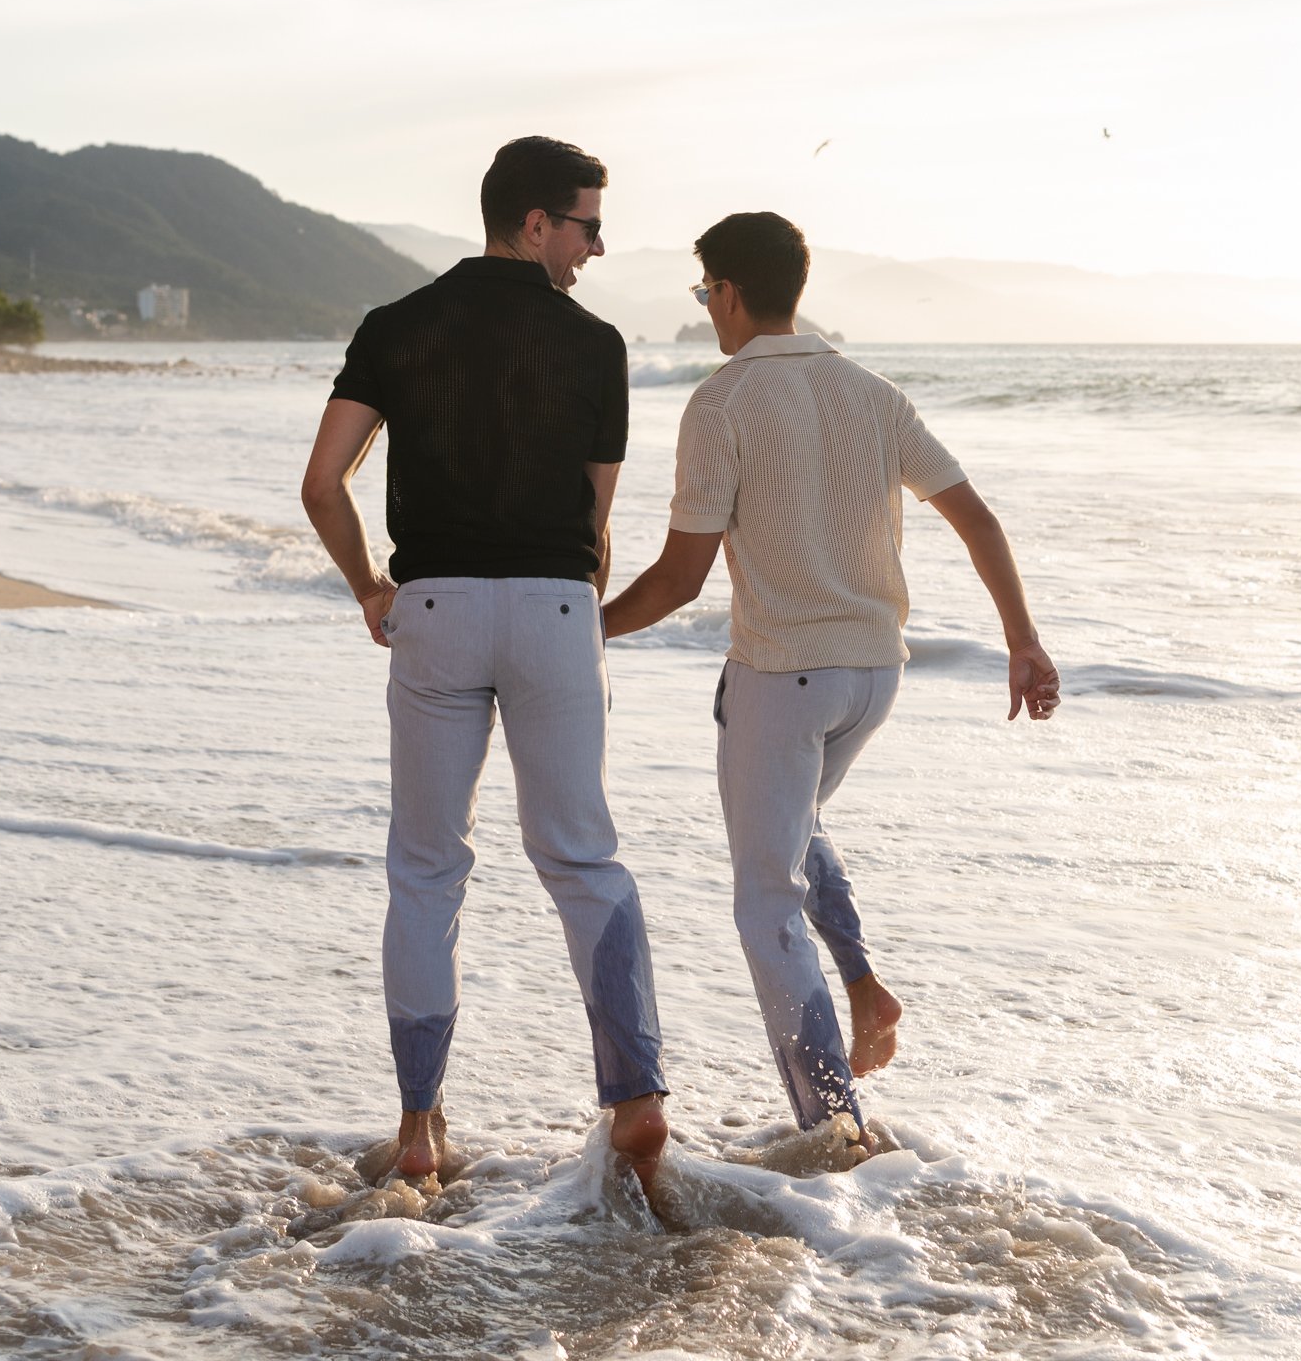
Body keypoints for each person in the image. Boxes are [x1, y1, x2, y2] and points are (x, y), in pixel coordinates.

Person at [601, 211, 1058, 1137]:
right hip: (875, 675)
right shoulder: (872, 392)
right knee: (796, 828)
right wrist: (1024, 639)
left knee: (762, 901)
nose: (709, 310)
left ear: (726, 292)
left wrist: (585, 631)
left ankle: (832, 1123)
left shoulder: (722, 402)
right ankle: (863, 988)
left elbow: (681, 578)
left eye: (704, 293)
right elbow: (976, 518)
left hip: (782, 677)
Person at [301, 137, 669, 1189]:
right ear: (535, 222)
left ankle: (420, 1126)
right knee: (583, 857)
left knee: (426, 865)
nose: (598, 247)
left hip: (436, 607)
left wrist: (372, 584)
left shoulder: (395, 328)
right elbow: (596, 527)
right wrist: (561, 604)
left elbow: (323, 482)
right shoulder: (597, 344)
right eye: (588, 224)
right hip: (557, 607)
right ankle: (637, 1098)